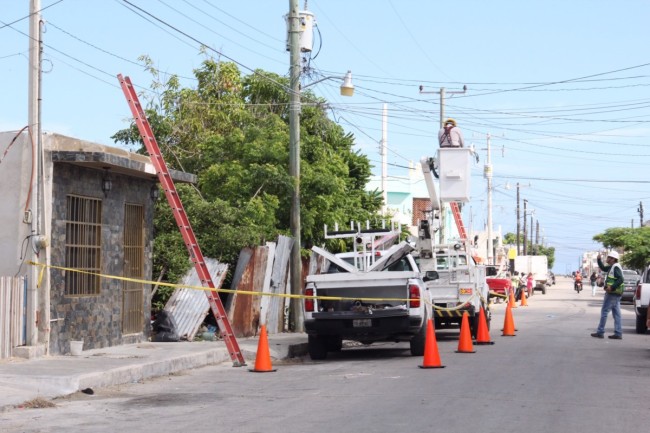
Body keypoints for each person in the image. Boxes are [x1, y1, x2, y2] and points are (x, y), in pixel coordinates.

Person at [591, 251, 625, 339]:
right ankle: (618, 333)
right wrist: (598, 260)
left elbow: (621, 279)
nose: (607, 258)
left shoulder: (616, 267)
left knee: (604, 312)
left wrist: (612, 287)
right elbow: (603, 268)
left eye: (609, 257)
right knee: (617, 314)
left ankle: (600, 332)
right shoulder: (612, 267)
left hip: (612, 293)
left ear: (613, 259)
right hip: (615, 293)